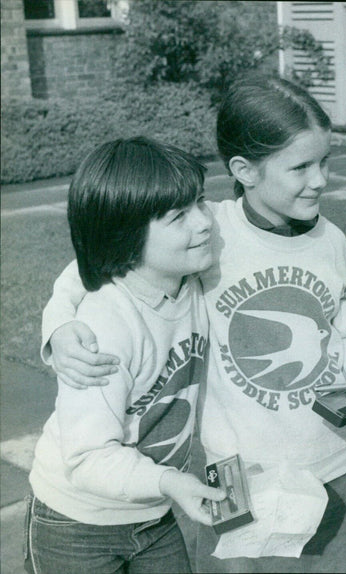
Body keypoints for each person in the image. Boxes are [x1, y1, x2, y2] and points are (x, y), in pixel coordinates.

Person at [40, 73, 346, 573]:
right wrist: (59, 328)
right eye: (300, 166)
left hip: (334, 461)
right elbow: (96, 266)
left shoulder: (332, 241)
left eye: (325, 162)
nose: (320, 180)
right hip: (241, 473)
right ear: (244, 170)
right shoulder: (208, 231)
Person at [26, 137, 227, 573]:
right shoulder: (105, 327)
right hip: (76, 523)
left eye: (201, 202)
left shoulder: (190, 276)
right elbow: (87, 457)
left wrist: (337, 273)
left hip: (151, 511)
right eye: (178, 216)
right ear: (126, 239)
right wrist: (169, 481)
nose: (204, 222)